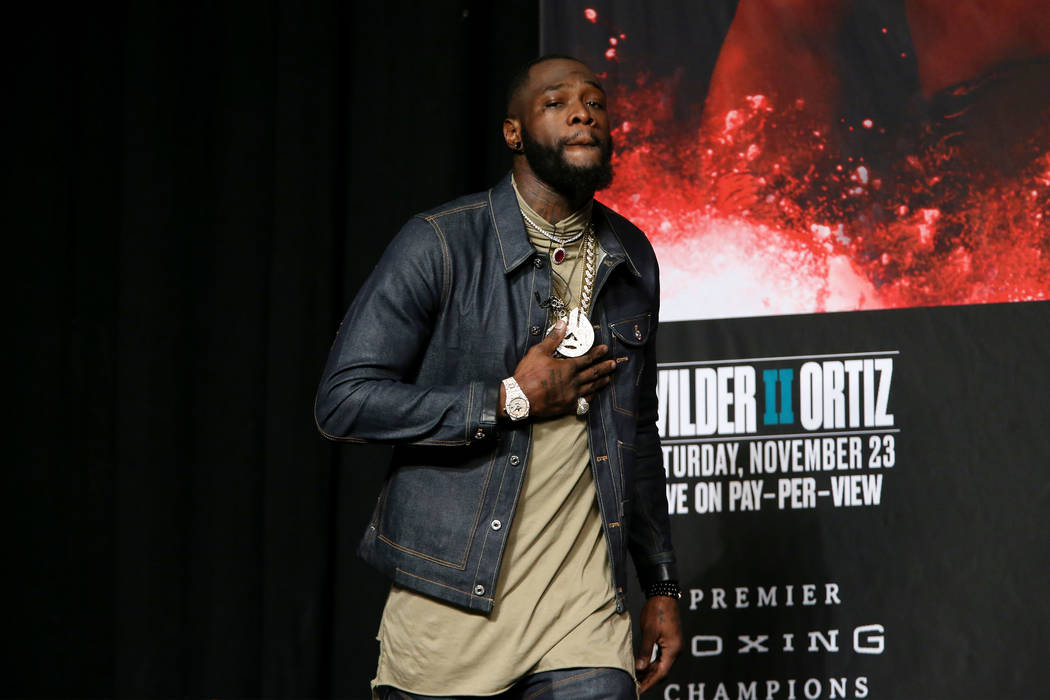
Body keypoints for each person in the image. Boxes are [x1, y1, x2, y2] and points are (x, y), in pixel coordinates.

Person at [315, 55, 681, 699]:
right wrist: (508, 398)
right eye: (557, 101)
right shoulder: (440, 244)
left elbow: (636, 437)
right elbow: (343, 402)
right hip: (451, 610)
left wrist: (660, 584)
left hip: (581, 618)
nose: (582, 112)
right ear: (513, 133)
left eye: (595, 101)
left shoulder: (632, 257)